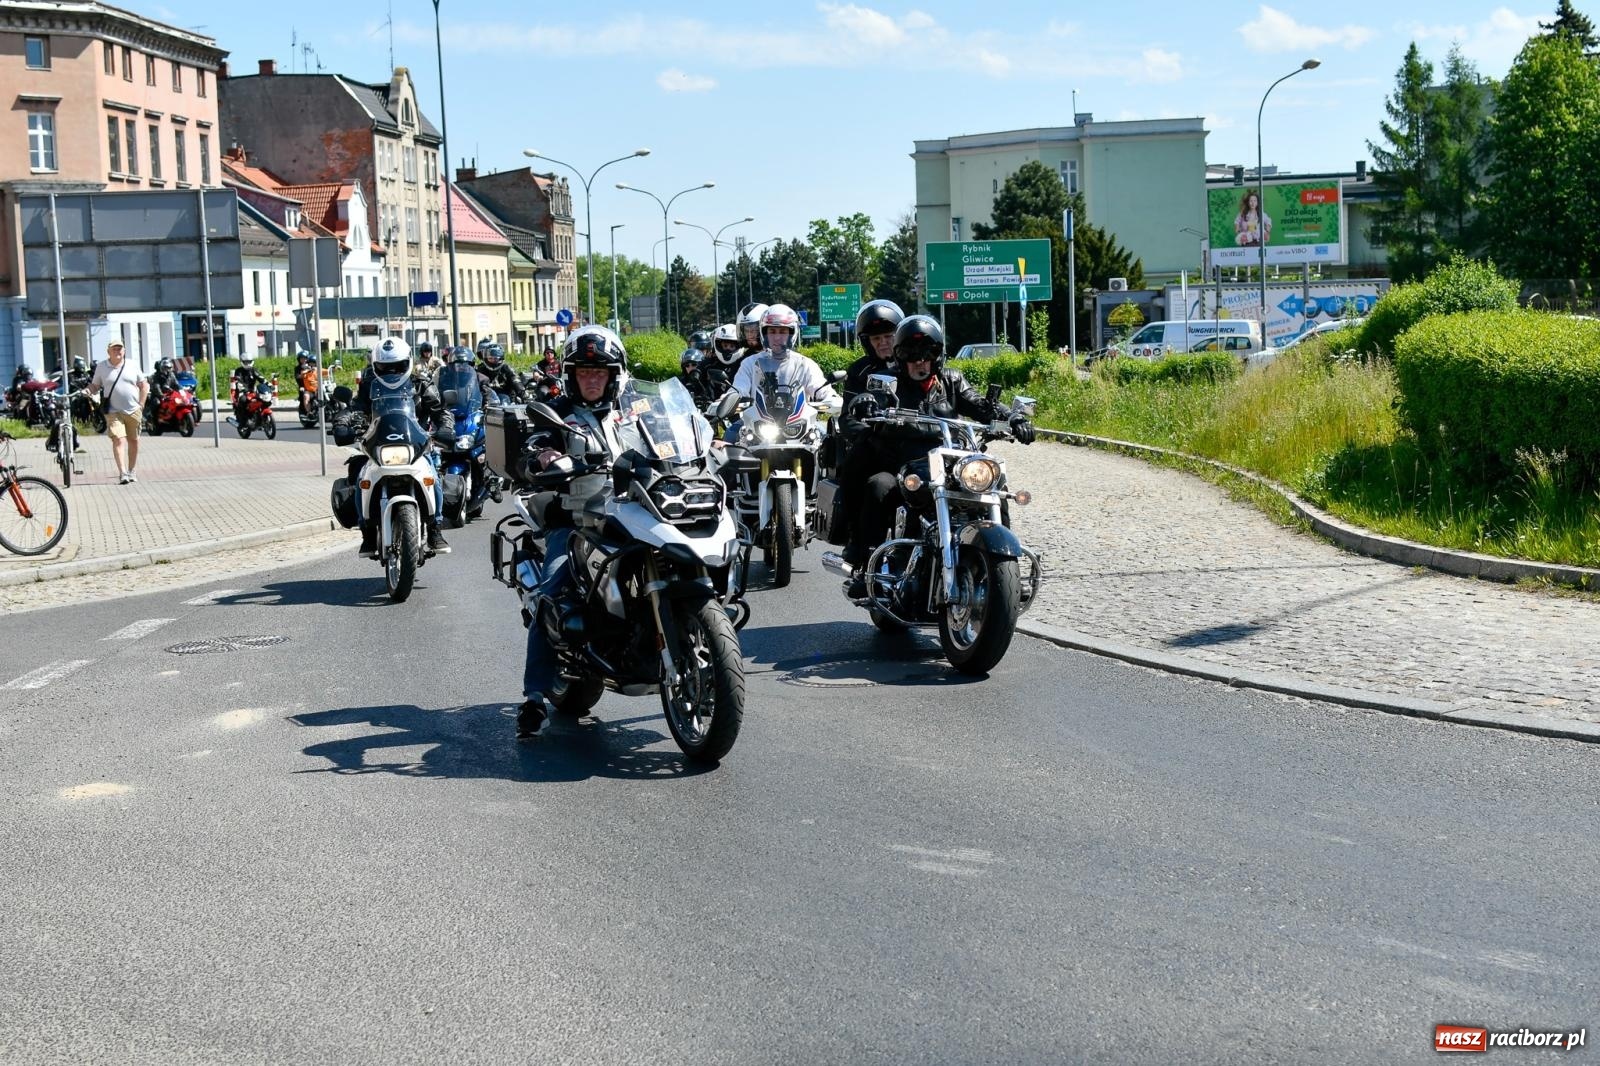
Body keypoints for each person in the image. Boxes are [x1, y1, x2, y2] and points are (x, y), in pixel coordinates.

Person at [838, 315, 1035, 597]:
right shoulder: (888, 381)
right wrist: (865, 403)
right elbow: (871, 398)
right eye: (911, 354)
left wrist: (1013, 418)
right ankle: (865, 565)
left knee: (994, 484)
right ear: (900, 356)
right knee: (879, 486)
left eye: (927, 353)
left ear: (938, 355)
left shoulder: (951, 380)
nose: (920, 361)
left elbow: (982, 405)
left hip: (949, 463)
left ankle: (1006, 567)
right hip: (906, 465)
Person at [515, 325, 632, 739]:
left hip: (637, 513)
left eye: (600, 371)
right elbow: (534, 446)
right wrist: (544, 455)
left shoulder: (632, 409)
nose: (592, 378)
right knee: (552, 590)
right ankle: (533, 698)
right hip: (578, 520)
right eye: (584, 371)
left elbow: (672, 435)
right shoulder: (558, 412)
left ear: (615, 374)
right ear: (570, 374)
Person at [349, 337, 450, 555]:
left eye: (396, 366)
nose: (391, 370)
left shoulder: (421, 383)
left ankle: (435, 529)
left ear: (407, 362)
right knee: (361, 480)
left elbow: (440, 410)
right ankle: (366, 533)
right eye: (385, 367)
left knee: (434, 478)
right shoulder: (368, 385)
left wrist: (445, 428)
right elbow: (355, 408)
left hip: (415, 443)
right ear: (376, 365)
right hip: (379, 444)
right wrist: (345, 422)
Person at [730, 303, 840, 410]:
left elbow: (820, 388)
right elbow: (739, 388)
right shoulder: (750, 363)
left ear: (792, 333)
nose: (777, 337)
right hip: (758, 423)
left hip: (800, 423)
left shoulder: (805, 364)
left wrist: (832, 398)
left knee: (824, 429)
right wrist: (729, 398)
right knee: (733, 429)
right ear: (764, 333)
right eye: (772, 331)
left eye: (782, 331)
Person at [89, 340, 147, 485]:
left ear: (124, 350)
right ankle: (123, 473)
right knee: (118, 439)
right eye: (114, 349)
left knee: (134, 441)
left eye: (120, 349)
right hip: (113, 411)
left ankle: (132, 470)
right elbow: (95, 385)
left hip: (133, 409)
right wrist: (88, 390)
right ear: (108, 351)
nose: (118, 351)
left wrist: (141, 404)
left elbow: (144, 385)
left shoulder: (132, 365)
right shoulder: (102, 367)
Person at [230, 353, 265, 425]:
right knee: (243, 400)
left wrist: (268, 384)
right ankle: (243, 421)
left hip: (252, 392)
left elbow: (261, 378)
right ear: (242, 362)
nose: (248, 363)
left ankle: (260, 416)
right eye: (246, 362)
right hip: (241, 392)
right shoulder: (239, 371)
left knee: (262, 399)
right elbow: (237, 380)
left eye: (249, 361)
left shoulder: (254, 370)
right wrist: (242, 388)